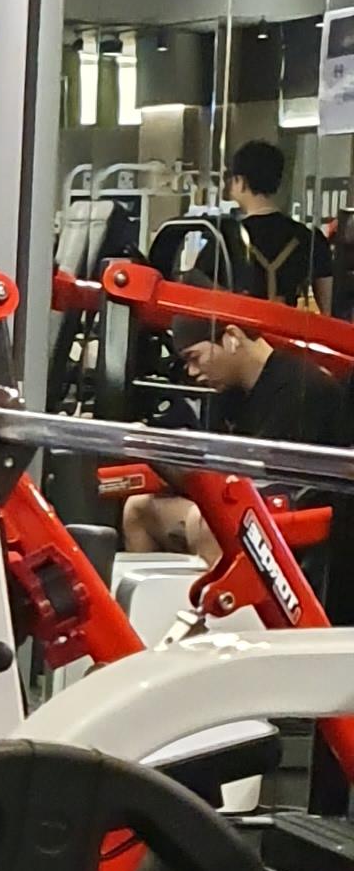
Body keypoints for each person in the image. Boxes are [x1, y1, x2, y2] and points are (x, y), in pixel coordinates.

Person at [119, 309, 347, 559]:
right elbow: (218, 469)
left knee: (210, 525)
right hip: (250, 502)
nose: (191, 372)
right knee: (139, 509)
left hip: (306, 517)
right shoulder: (226, 395)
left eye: (195, 357)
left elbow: (270, 484)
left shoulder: (303, 388)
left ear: (232, 337)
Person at [225, 140, 321, 309]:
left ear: (241, 181)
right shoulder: (310, 239)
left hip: (242, 324)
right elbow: (327, 309)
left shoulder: (225, 238)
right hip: (288, 324)